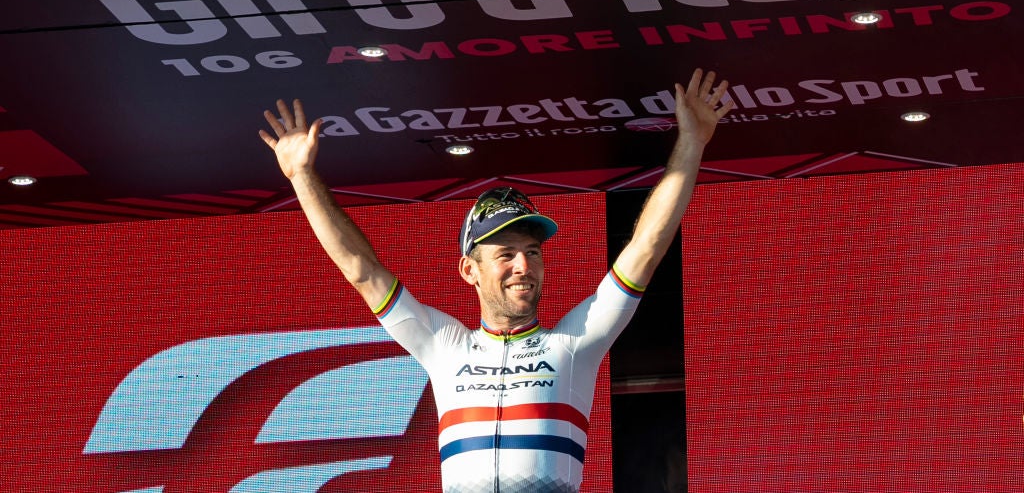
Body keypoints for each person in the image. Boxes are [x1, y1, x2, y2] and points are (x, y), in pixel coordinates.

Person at [259, 68, 733, 493]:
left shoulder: (574, 342)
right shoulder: (445, 346)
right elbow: (361, 270)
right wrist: (301, 175)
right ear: (470, 270)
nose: (523, 266)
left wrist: (692, 142)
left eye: (532, 253)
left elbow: (646, 249)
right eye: (505, 255)